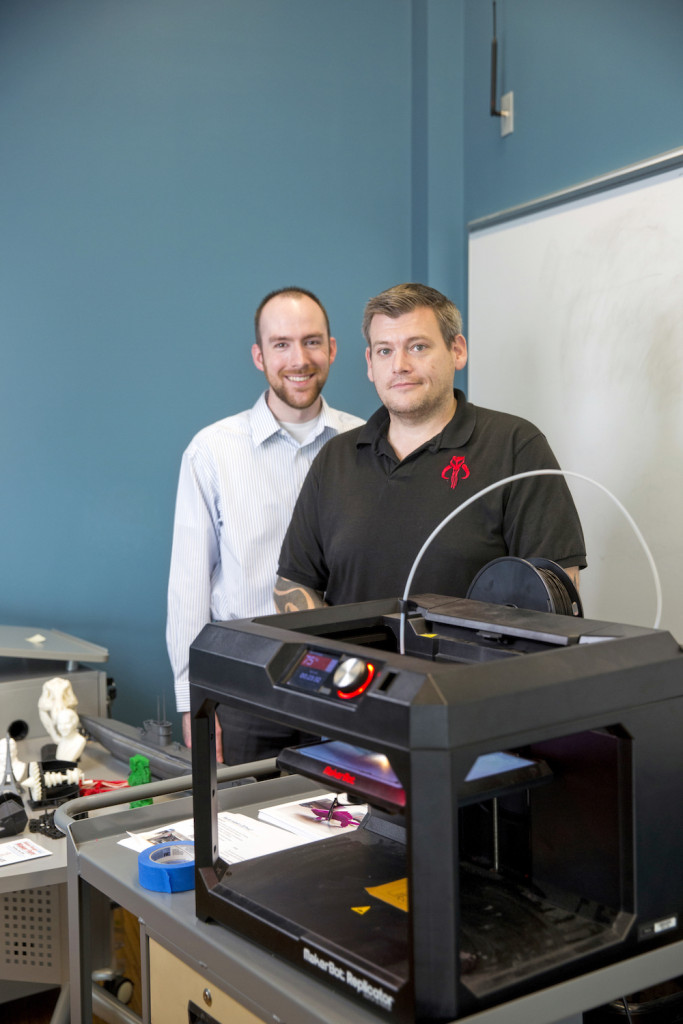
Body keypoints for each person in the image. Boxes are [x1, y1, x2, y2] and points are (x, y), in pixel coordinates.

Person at [275, 282, 585, 613]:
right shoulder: (335, 459)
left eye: (418, 347)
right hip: (355, 665)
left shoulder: (516, 447)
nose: (400, 366)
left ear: (458, 350)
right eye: (385, 351)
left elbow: (556, 601)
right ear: (370, 363)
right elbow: (293, 584)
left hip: (474, 666)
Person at [167, 287, 364, 764]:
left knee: (353, 833)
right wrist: (192, 699)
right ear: (259, 356)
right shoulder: (212, 452)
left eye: (312, 341)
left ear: (333, 349)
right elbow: (189, 586)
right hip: (246, 692)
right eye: (281, 344)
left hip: (347, 686)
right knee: (245, 830)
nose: (299, 358)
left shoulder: (367, 444)